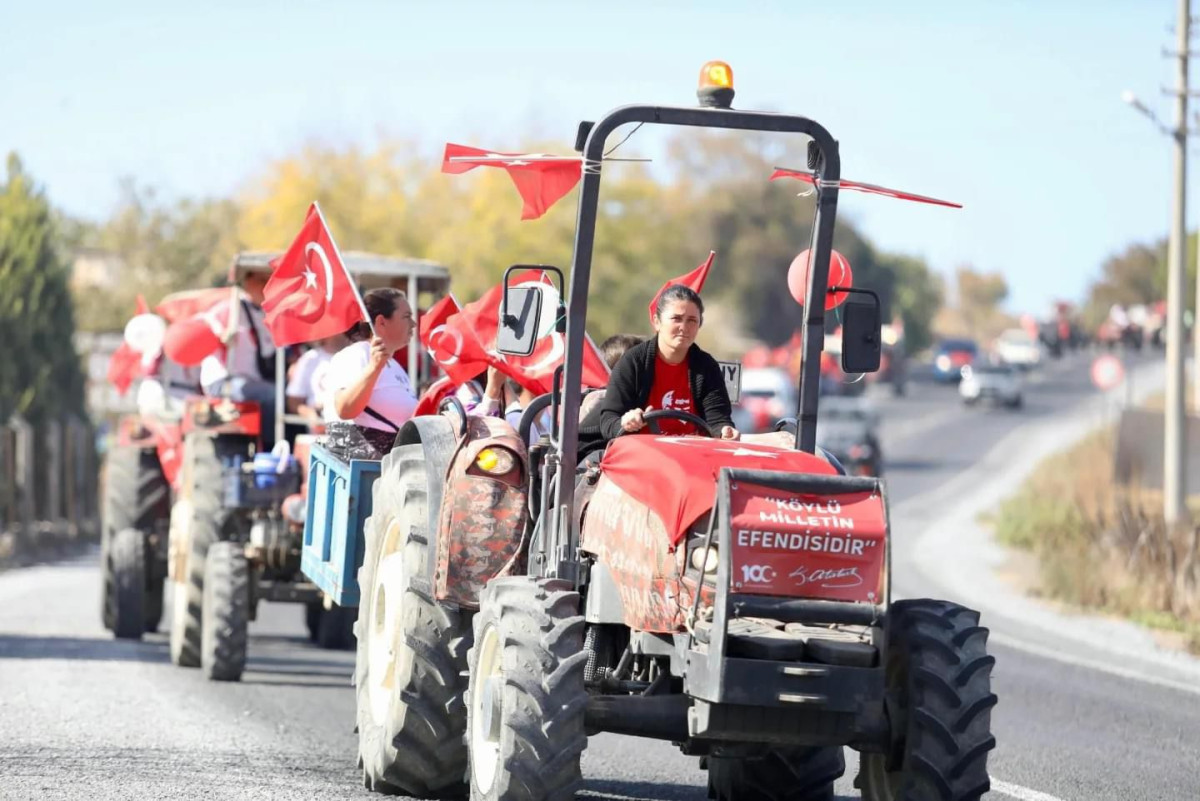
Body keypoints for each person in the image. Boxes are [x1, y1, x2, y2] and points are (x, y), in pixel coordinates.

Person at [596, 284, 739, 440]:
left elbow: (718, 420)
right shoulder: (633, 361)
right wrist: (626, 423)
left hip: (692, 456)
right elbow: (608, 422)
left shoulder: (707, 366)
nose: (684, 327)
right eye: (676, 319)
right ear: (657, 322)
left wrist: (725, 431)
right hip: (641, 456)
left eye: (692, 320)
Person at [323, 288, 417, 458]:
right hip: (361, 470)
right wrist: (374, 368)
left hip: (393, 468)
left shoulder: (397, 367)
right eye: (406, 317)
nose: (413, 324)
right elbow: (345, 409)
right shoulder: (355, 354)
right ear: (381, 322)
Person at [286, 334, 346, 423]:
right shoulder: (309, 359)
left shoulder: (358, 355)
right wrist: (310, 414)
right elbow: (293, 401)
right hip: (317, 431)